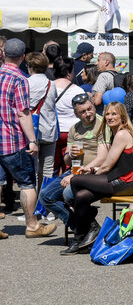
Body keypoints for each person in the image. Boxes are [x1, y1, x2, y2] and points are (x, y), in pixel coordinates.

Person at [65, 102, 133, 255]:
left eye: (114, 114)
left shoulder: (122, 134)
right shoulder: (116, 133)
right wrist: (91, 169)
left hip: (127, 182)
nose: (109, 117)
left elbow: (107, 166)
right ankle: (80, 237)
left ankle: (88, 230)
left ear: (122, 117)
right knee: (81, 196)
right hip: (120, 180)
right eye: (107, 114)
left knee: (75, 180)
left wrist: (90, 173)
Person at [0, 39, 56, 238]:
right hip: (12, 139)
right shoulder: (20, 79)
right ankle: (32, 225)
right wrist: (32, 140)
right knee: (26, 182)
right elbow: (23, 114)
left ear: (3, 53)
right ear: (22, 57)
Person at [39, 93, 104, 247]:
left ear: (94, 107)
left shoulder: (102, 124)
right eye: (83, 112)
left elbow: (103, 158)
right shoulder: (74, 129)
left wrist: (78, 173)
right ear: (76, 114)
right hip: (74, 170)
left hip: (93, 171)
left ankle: (83, 229)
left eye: (90, 109)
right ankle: (81, 226)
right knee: (45, 196)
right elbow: (67, 161)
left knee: (68, 193)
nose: (88, 114)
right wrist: (70, 154)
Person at [26, 52, 59, 188]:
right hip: (49, 129)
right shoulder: (52, 84)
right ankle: (44, 203)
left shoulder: (25, 83)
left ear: (30, 67)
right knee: (47, 170)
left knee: (31, 170)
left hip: (30, 131)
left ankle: (32, 203)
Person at [53, 56, 85, 172]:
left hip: (53, 131)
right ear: (69, 73)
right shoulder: (78, 91)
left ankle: (50, 188)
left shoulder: (47, 87)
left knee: (52, 166)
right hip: (72, 132)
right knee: (71, 165)